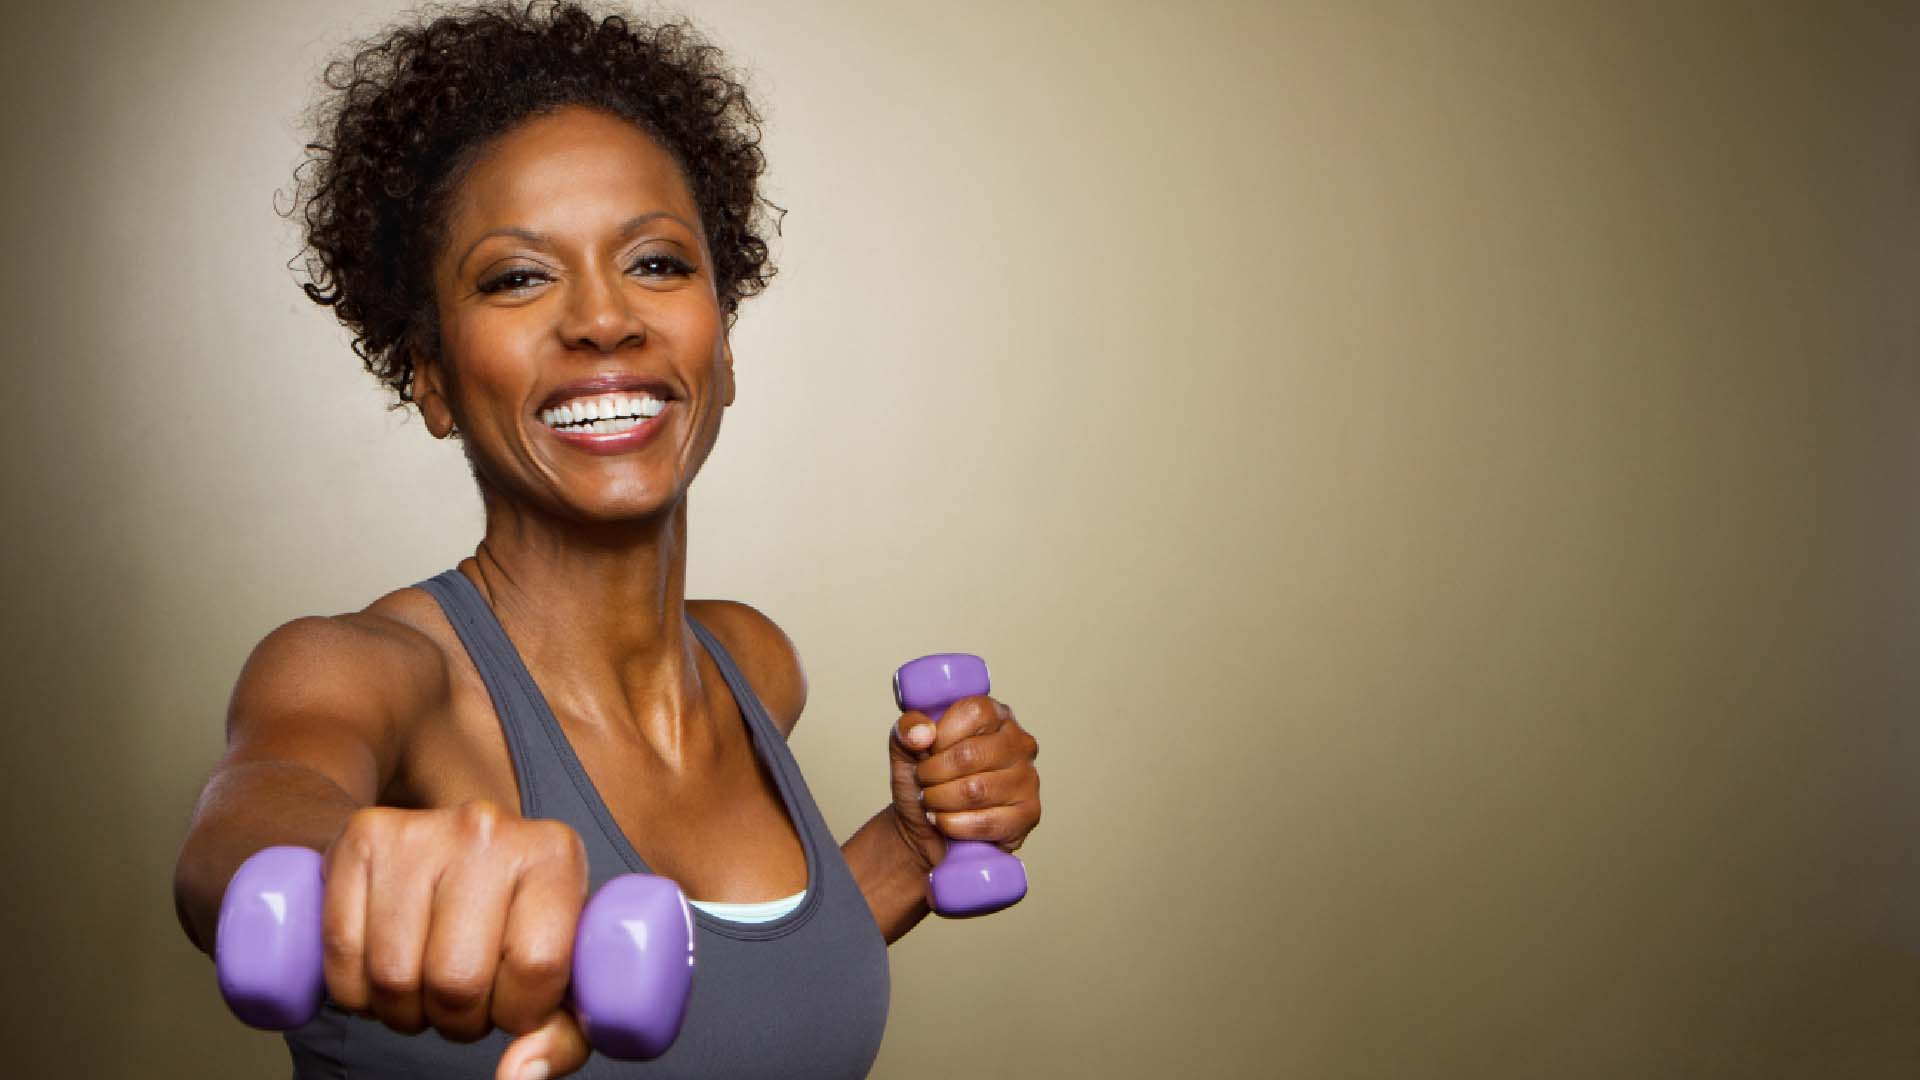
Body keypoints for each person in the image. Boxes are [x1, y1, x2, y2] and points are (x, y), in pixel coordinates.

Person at [170, 3, 1043, 1077]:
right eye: (518, 277)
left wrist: (911, 848)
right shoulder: (369, 673)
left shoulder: (752, 667)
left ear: (721, 349)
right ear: (432, 377)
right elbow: (239, 833)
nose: (603, 320)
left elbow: (724, 993)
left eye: (660, 265)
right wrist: (351, 871)